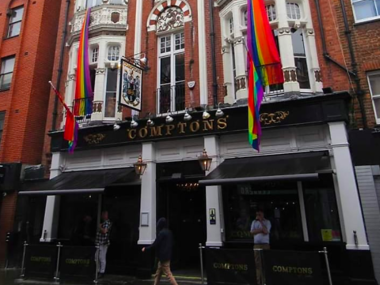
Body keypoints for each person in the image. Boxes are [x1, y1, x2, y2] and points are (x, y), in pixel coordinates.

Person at [142, 218, 178, 285]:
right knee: (158, 273)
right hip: (167, 256)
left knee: (168, 274)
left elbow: (156, 243)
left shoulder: (161, 233)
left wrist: (146, 248)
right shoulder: (169, 232)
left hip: (163, 257)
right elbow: (172, 243)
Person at [250, 209, 271, 285]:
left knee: (265, 263)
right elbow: (252, 232)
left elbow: (266, 231)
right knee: (258, 264)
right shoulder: (254, 222)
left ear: (262, 214)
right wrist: (260, 230)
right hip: (257, 245)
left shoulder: (267, 222)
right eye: (257, 214)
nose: (258, 216)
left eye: (259, 214)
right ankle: (259, 282)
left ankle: (265, 281)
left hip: (265, 245)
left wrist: (261, 222)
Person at [95, 210, 111, 278]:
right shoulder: (104, 222)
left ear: (106, 215)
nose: (102, 216)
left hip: (103, 243)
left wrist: (100, 227)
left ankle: (102, 272)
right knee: (96, 257)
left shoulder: (107, 223)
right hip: (99, 242)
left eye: (103, 214)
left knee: (102, 257)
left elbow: (105, 231)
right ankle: (98, 270)